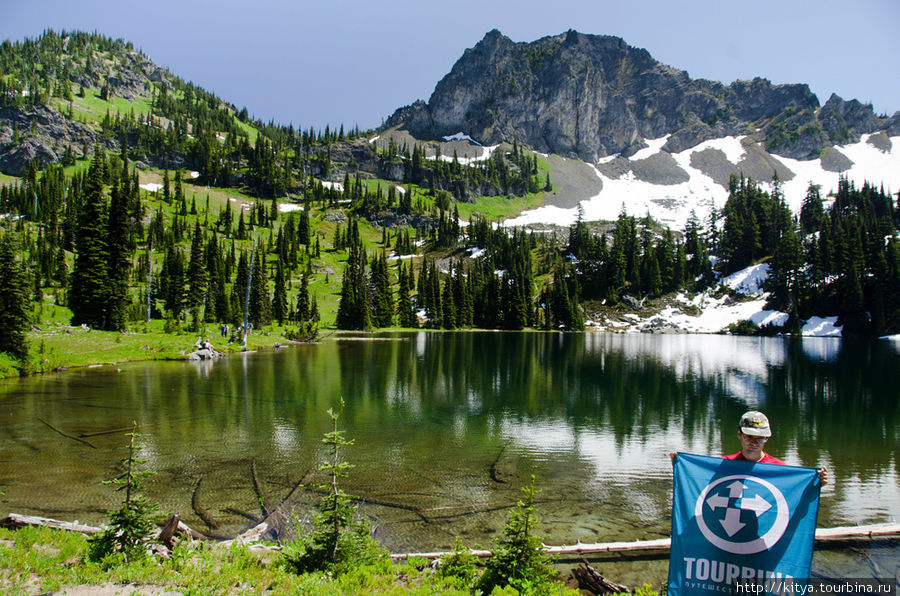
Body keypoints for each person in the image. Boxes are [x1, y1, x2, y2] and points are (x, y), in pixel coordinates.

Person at [671, 410, 828, 484]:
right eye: (749, 436)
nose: (754, 442)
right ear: (739, 434)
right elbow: (697, 481)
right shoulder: (723, 465)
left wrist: (816, 483)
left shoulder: (780, 469)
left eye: (760, 438)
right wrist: (681, 466)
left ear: (767, 438)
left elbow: (795, 495)